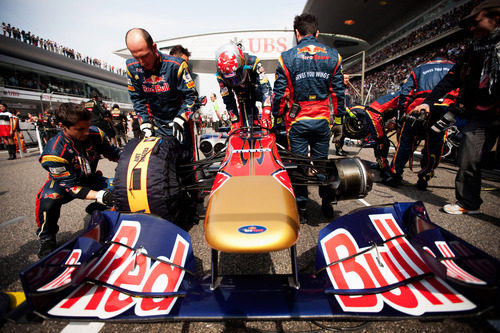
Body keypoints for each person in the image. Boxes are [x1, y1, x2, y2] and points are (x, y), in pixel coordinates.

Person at [415, 0, 500, 214]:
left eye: (475, 22)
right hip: (480, 114)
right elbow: (451, 79)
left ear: (495, 18)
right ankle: (468, 203)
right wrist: (427, 101)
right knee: (468, 157)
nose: (471, 29)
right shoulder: (473, 49)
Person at [272, 13, 346, 219]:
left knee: (299, 166)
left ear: (297, 33)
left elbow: (279, 95)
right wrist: (339, 121)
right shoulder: (333, 56)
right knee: (321, 163)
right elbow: (338, 94)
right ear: (317, 32)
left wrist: (276, 120)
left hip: (297, 122)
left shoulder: (286, 57)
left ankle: (302, 208)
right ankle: (326, 204)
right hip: (322, 120)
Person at [35, 103, 120, 258]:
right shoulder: (53, 153)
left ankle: (97, 208)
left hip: (91, 178)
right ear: (62, 126)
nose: (87, 132)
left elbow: (115, 154)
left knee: (122, 186)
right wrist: (101, 195)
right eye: (80, 129)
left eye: (88, 126)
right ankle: (46, 237)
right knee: (48, 198)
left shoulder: (95, 134)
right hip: (65, 184)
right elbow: (71, 187)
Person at [383, 53, 458, 190]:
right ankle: (424, 177)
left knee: (406, 143)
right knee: (434, 145)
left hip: (419, 108)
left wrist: (402, 112)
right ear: (446, 59)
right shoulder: (454, 67)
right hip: (443, 109)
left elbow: (405, 93)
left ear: (430, 60)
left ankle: (395, 175)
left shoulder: (419, 69)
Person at [125, 28, 198, 150]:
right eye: (136, 57)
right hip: (156, 129)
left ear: (154, 47)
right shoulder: (131, 68)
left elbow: (192, 96)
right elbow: (138, 99)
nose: (141, 62)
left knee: (186, 166)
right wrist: (145, 124)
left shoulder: (176, 65)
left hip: (180, 125)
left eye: (144, 56)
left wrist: (181, 118)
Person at [215, 42, 272, 130]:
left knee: (273, 106)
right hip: (243, 95)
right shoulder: (220, 76)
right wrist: (235, 121)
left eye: (235, 75)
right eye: (230, 78)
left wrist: (266, 112)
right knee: (246, 126)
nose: (234, 80)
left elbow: (266, 87)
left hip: (258, 89)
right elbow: (228, 99)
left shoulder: (253, 62)